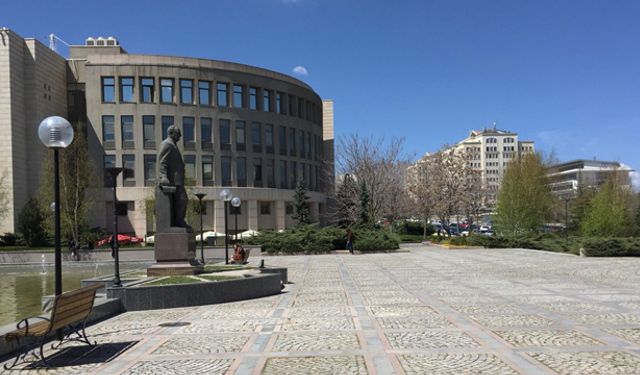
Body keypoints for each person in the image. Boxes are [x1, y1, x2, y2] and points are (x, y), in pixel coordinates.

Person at [157, 125, 189, 229]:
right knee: (183, 199)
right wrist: (163, 176)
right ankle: (179, 221)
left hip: (177, 181)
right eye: (178, 134)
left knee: (181, 200)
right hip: (173, 180)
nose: (180, 136)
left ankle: (179, 221)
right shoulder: (167, 144)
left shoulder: (173, 145)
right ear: (171, 133)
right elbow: (162, 162)